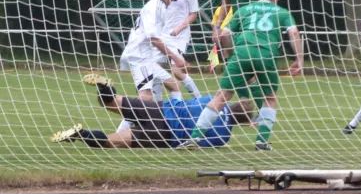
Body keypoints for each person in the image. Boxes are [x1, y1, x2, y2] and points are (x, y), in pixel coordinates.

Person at [179, 0, 303, 151]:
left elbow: (223, 35)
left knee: (221, 97)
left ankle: (195, 137)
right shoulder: (282, 12)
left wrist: (231, 55)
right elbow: (294, 32)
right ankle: (261, 141)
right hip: (266, 55)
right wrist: (299, 60)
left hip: (242, 54)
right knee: (270, 98)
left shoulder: (244, 10)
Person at [51, 74, 253, 149]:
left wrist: (246, 78)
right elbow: (195, 144)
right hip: (164, 135)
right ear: (243, 123)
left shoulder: (213, 100)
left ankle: (106, 88)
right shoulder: (224, 137)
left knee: (110, 102)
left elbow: (225, 89)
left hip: (160, 109)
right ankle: (81, 134)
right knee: (110, 141)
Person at [117, 0, 186, 132]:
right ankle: (119, 133)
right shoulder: (153, 7)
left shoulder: (162, 6)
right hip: (138, 56)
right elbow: (153, 39)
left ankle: (177, 124)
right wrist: (175, 58)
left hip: (146, 57)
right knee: (145, 98)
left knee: (174, 85)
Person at [155, 0, 201, 101]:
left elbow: (194, 14)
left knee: (176, 70)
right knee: (155, 68)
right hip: (164, 33)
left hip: (180, 36)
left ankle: (199, 100)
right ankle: (157, 105)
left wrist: (180, 27)